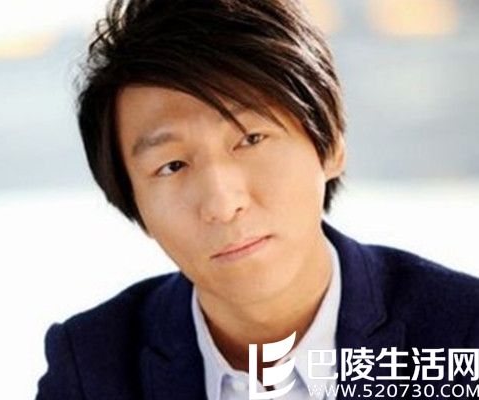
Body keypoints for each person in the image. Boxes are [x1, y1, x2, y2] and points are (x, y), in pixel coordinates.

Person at [36, 0, 479, 399]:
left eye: (250, 138)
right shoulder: (90, 368)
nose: (222, 204)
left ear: (329, 145)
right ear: (134, 204)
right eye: (172, 166)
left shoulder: (462, 334)